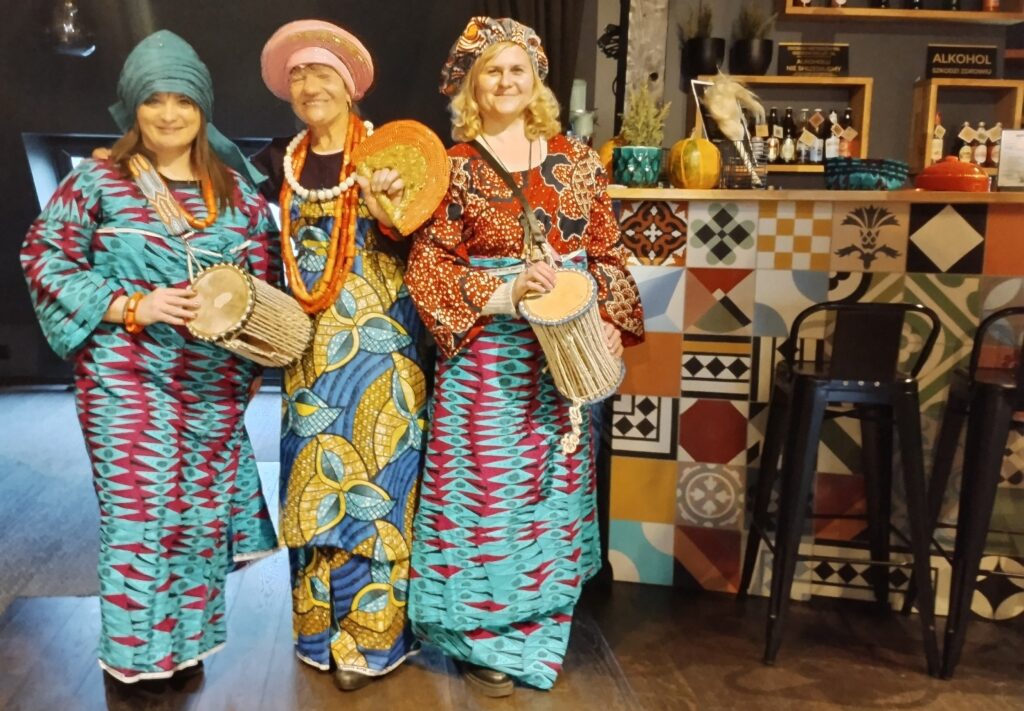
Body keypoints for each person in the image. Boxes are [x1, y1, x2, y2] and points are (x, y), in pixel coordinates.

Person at [20, 30, 278, 688]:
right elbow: (44, 259)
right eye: (154, 100)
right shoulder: (98, 181)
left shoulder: (238, 195)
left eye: (183, 100)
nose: (169, 114)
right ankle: (134, 663)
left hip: (212, 384)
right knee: (141, 516)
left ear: (203, 108)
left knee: (197, 519)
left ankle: (184, 650)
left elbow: (263, 286)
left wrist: (251, 365)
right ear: (133, 107)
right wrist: (133, 305)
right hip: (127, 376)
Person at [405, 16, 645, 697]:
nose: (506, 82)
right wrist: (507, 289)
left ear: (536, 80)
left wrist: (605, 318)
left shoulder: (578, 161)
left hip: (562, 360)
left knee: (550, 492)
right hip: (487, 360)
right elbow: (429, 268)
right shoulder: (453, 168)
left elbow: (608, 252)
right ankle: (482, 637)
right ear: (472, 86)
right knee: (486, 494)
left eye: (518, 69)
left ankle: (539, 632)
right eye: (492, 71)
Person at [255, 20, 428, 692]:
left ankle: (370, 639)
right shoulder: (280, 160)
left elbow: (424, 241)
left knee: (377, 489)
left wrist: (392, 210)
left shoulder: (389, 154)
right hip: (306, 357)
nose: (309, 86)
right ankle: (317, 632)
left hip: (382, 352)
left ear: (350, 85)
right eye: (298, 75)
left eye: (322, 73)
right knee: (313, 488)